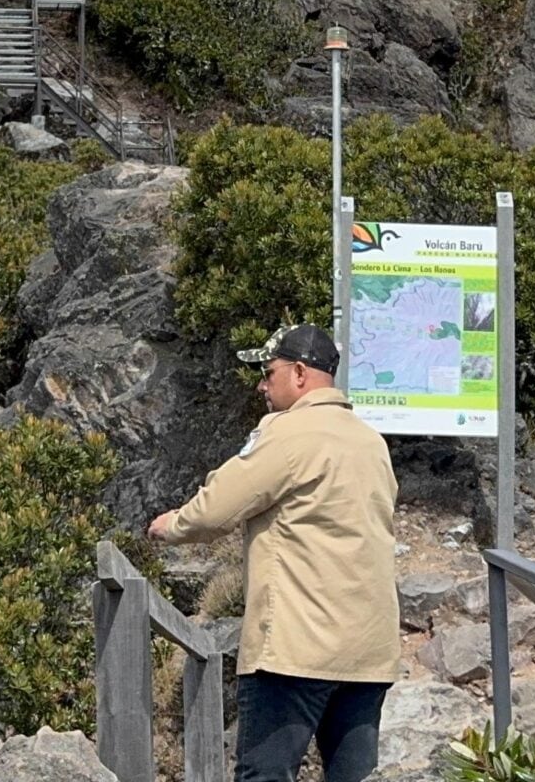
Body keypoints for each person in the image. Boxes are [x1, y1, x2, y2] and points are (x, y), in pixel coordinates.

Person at [150, 324, 398, 782]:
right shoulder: (371, 442)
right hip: (368, 652)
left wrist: (172, 525)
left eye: (268, 373)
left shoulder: (286, 434)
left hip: (296, 647)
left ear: (300, 373)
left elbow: (218, 508)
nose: (261, 386)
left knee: (264, 774)